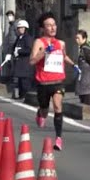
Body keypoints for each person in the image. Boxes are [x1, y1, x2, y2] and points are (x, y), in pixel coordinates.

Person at [29, 12, 78, 151]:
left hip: (57, 80)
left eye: (54, 25)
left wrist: (74, 65)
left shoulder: (60, 43)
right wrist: (44, 52)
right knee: (45, 109)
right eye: (49, 25)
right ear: (43, 28)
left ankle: (58, 138)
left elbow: (63, 56)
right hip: (43, 83)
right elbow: (32, 61)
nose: (52, 28)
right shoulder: (39, 42)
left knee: (57, 106)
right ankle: (40, 113)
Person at [5, 19, 34, 100]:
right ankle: (20, 96)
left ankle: (25, 96)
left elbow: (29, 49)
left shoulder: (28, 38)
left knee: (25, 82)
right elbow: (13, 47)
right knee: (19, 81)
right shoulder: (19, 38)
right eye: (19, 28)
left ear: (26, 28)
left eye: (22, 28)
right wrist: (9, 54)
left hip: (25, 64)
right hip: (19, 63)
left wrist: (20, 51)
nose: (20, 29)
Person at [75, 30, 90, 105]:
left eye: (78, 38)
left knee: (87, 98)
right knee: (85, 96)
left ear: (84, 39)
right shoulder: (84, 48)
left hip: (87, 77)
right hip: (85, 77)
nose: (76, 40)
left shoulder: (86, 49)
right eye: (76, 38)